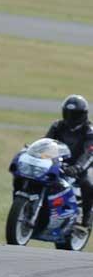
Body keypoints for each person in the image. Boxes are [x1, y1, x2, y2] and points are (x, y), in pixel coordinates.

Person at [47, 94, 93, 227]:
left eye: (75, 114)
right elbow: (46, 142)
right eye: (68, 113)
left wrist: (78, 167)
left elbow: (89, 152)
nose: (71, 118)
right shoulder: (57, 126)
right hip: (60, 163)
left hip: (84, 166)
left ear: (83, 115)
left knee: (87, 184)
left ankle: (87, 215)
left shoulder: (89, 131)